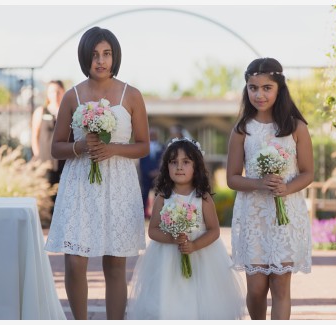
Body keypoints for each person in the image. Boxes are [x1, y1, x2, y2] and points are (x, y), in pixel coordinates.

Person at [44, 26, 149, 320]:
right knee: (75, 262)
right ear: (84, 58)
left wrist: (114, 149)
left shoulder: (132, 95)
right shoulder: (71, 96)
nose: (100, 61)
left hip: (119, 184)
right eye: (94, 55)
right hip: (79, 184)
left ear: (114, 57)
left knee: (115, 265)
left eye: (106, 54)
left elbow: (143, 146)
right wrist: (80, 146)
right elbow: (56, 148)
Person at [226, 57, 314, 320]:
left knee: (280, 285)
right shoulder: (242, 130)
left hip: (286, 214)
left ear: (279, 89)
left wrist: (286, 188)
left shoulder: (295, 127)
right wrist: (258, 183)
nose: (259, 94)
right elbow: (232, 178)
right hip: (254, 215)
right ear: (247, 90)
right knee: (256, 289)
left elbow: (308, 172)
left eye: (267, 88)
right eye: (253, 88)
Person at [127, 138, 246, 319]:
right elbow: (153, 230)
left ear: (196, 167)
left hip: (201, 257)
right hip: (167, 258)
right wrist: (173, 239)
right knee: (168, 298)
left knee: (200, 300)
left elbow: (214, 230)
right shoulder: (162, 197)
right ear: (166, 167)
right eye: (173, 162)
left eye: (186, 162)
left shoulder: (203, 197)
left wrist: (194, 245)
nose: (179, 167)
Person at [31, 80, 67, 205]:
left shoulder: (67, 112)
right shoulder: (41, 111)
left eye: (58, 91)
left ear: (63, 92)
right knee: (46, 195)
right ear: (47, 94)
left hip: (63, 162)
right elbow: (34, 136)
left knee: (62, 197)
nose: (55, 94)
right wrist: (37, 156)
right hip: (45, 161)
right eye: (52, 91)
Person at [140, 127, 164, 217]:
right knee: (144, 195)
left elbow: (163, 161)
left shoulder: (162, 147)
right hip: (146, 176)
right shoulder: (143, 147)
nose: (153, 136)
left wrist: (158, 172)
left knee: (158, 195)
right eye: (151, 134)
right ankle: (143, 214)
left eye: (154, 134)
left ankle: (157, 214)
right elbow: (142, 162)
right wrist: (148, 172)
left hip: (158, 176)